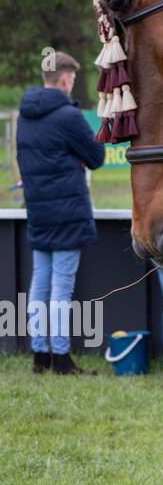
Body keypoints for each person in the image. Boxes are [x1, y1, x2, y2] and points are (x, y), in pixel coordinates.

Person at [16, 51, 104, 375]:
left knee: (39, 284)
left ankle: (40, 355)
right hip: (67, 212)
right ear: (65, 79)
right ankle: (62, 358)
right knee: (61, 288)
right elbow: (96, 156)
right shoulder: (68, 116)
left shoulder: (25, 116)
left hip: (38, 210)